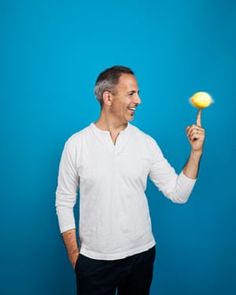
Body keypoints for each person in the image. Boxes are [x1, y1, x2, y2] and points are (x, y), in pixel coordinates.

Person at [55, 65, 205, 295]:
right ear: (108, 97)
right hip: (94, 261)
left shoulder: (146, 143)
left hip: (141, 258)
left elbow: (179, 193)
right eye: (131, 93)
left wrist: (195, 153)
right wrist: (75, 256)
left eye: (138, 93)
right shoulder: (76, 145)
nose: (139, 100)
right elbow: (64, 202)